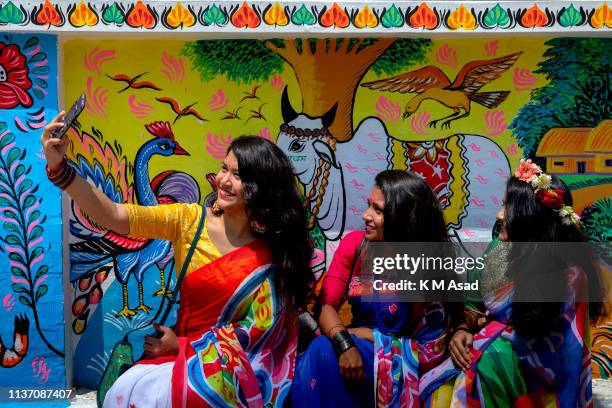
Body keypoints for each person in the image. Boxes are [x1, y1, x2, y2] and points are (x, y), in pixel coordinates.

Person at [41, 113, 314, 407]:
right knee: (125, 393)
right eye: (225, 168)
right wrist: (61, 169)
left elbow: (259, 332)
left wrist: (184, 346)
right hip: (175, 354)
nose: (223, 180)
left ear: (262, 188)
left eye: (238, 176)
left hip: (229, 367)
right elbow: (116, 216)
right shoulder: (188, 220)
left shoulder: (273, 251)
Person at [421, 159, 606, 407]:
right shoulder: (497, 253)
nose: (499, 216)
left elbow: (557, 347)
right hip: (492, 368)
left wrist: (492, 341)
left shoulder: (569, 276)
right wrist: (464, 329)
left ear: (529, 217)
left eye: (508, 207)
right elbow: (473, 305)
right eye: (502, 205)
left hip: (547, 387)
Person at [291, 170, 457, 407]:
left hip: (398, 364)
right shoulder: (354, 246)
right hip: (350, 348)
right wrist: (345, 343)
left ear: (402, 217)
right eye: (369, 205)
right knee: (321, 352)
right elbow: (326, 307)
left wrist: (372, 337)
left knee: (322, 352)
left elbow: (431, 347)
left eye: (377, 210)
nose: (366, 215)